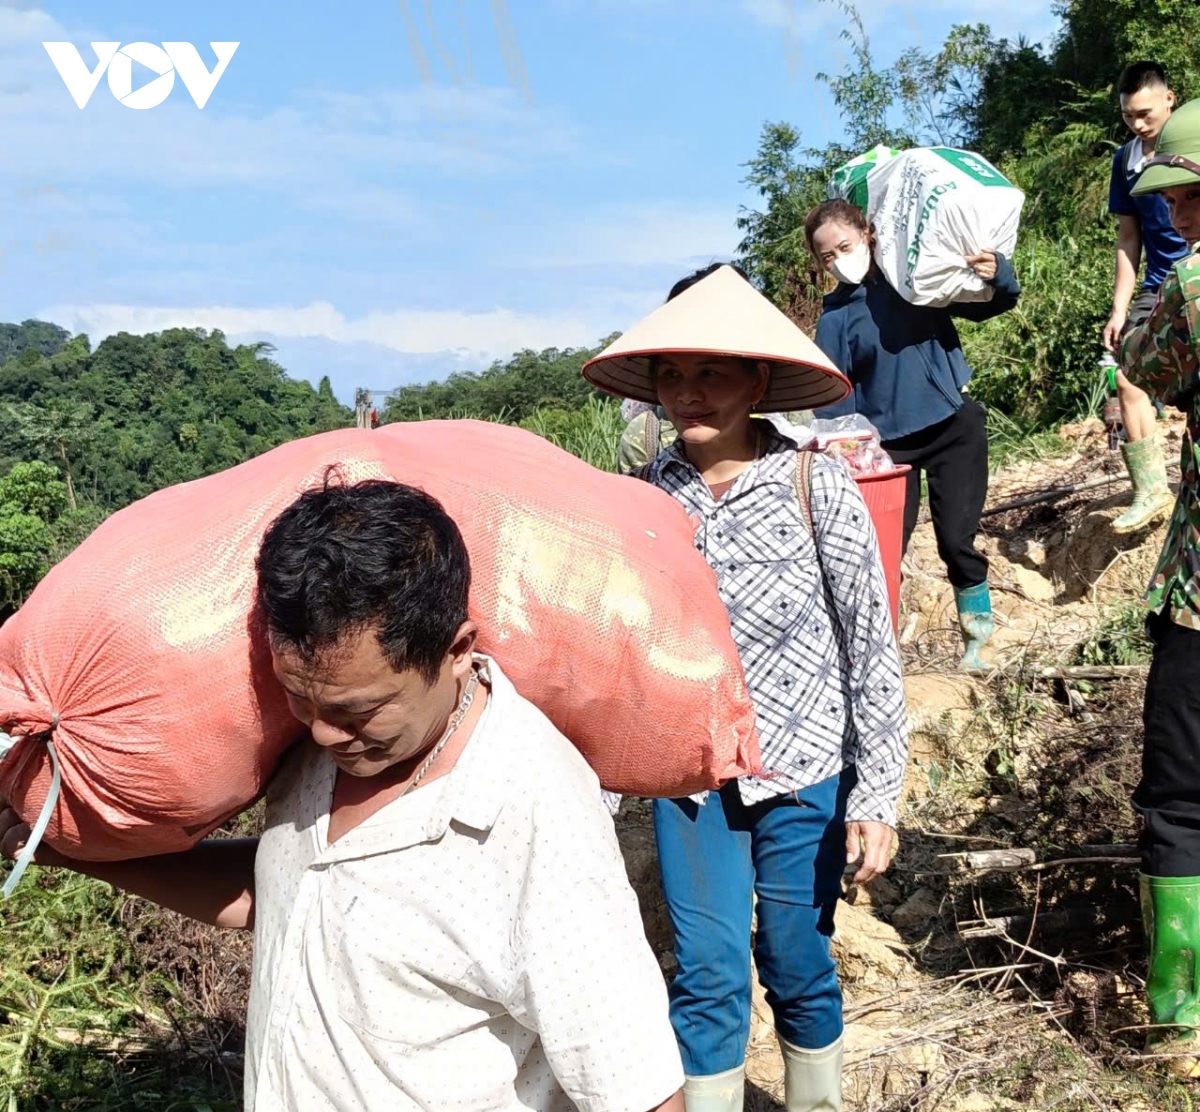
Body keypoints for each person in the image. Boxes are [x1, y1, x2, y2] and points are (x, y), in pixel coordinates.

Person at [0, 479, 686, 1112]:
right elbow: (286, 889)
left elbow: (638, 1085)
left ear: (456, 651)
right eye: (301, 700)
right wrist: (73, 853)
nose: (326, 735)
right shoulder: (316, 746)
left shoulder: (532, 814)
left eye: (359, 711)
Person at [583, 262, 909, 1112]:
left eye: (711, 374)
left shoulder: (814, 483)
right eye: (671, 375)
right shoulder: (649, 497)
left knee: (797, 958)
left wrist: (878, 792)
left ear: (756, 381)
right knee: (708, 972)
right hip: (693, 775)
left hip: (804, 766)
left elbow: (869, 646)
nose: (687, 394)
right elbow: (627, 645)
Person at [805, 200, 1021, 671]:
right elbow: (834, 403)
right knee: (880, 555)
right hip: (887, 453)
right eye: (827, 256)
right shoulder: (834, 319)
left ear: (867, 233)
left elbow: (993, 303)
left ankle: (978, 643)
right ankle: (878, 656)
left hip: (952, 429)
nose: (839, 259)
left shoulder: (912, 281)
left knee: (956, 540)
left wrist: (997, 272)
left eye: (845, 245)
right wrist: (850, 458)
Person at [1116, 97, 1200, 1071]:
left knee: (1181, 800)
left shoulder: (1187, 291)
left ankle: (1180, 1017)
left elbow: (1141, 360)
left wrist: (1164, 278)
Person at [1102, 61, 1191, 534]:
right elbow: (1128, 237)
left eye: (1144, 112)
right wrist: (1120, 306)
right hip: (1158, 282)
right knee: (1127, 374)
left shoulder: (1192, 142)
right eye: (1128, 117)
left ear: (1169, 99)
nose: (1138, 123)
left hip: (1196, 274)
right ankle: (1152, 489)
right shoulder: (1126, 160)